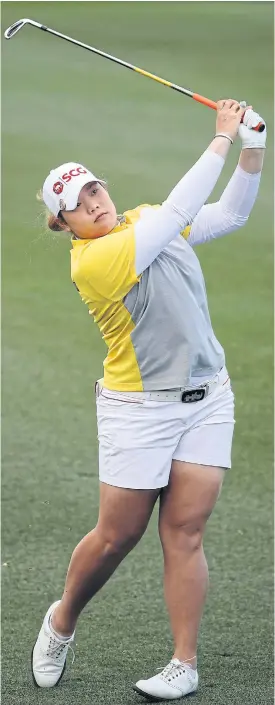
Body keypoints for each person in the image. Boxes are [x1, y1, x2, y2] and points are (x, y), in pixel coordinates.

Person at [32, 100, 266, 700]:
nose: (93, 205)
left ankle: (183, 664)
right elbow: (182, 210)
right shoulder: (97, 262)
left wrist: (253, 146)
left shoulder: (141, 220)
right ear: (64, 226)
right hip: (140, 407)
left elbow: (229, 215)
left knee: (185, 530)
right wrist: (220, 138)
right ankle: (62, 621)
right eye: (78, 207)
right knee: (118, 535)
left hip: (207, 398)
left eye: (94, 192)